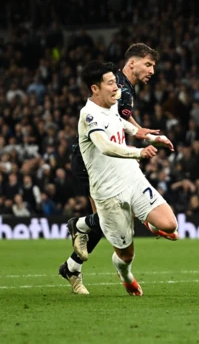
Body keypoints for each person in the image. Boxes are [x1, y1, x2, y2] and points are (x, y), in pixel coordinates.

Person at [63, 60, 177, 296]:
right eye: (111, 83)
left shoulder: (112, 103)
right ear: (95, 88)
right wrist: (139, 152)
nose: (117, 88)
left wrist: (145, 135)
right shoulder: (88, 115)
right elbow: (104, 146)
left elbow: (119, 122)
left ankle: (79, 239)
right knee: (125, 255)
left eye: (116, 82)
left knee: (169, 224)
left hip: (131, 177)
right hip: (108, 189)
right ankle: (123, 273)